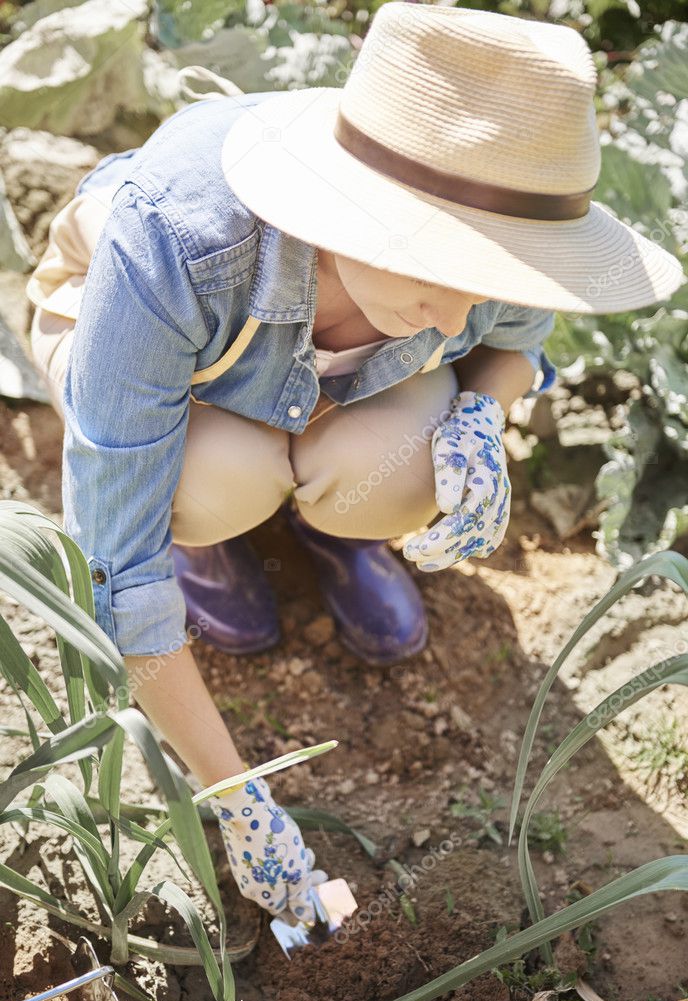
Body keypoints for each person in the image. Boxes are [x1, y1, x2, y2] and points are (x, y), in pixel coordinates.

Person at [25, 3, 683, 929]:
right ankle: (214, 545)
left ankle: (332, 527)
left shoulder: (475, 273)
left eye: (490, 276)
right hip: (178, 383)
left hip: (333, 397)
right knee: (217, 482)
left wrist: (481, 421)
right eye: (439, 264)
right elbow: (112, 568)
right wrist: (235, 798)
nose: (458, 318)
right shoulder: (178, 243)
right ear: (348, 205)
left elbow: (509, 347)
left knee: (396, 462)